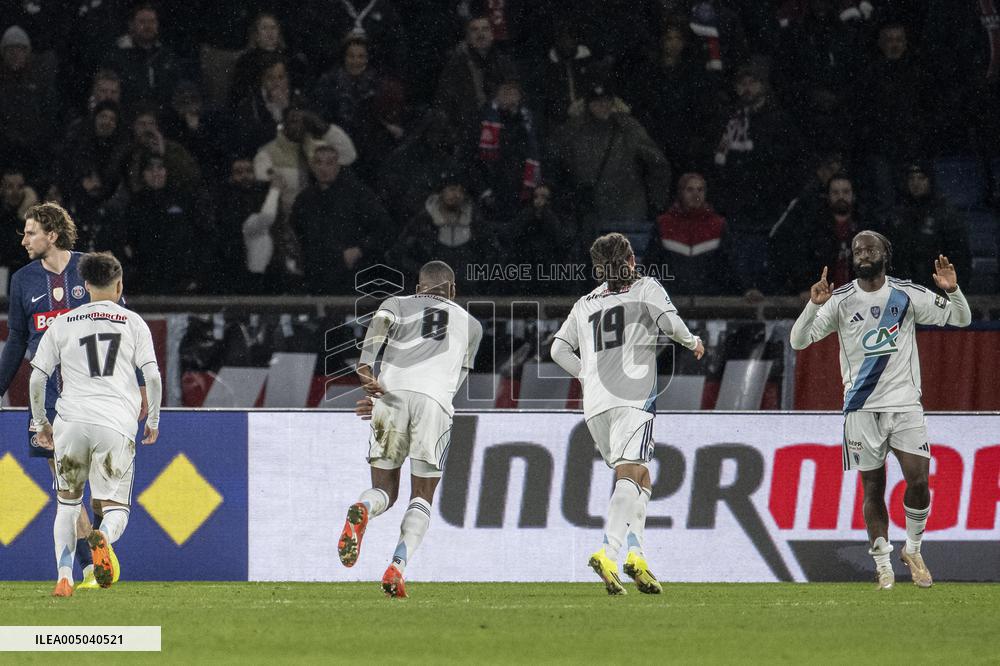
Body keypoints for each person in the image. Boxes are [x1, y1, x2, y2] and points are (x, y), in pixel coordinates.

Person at [789, 231, 972, 590]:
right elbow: (798, 340)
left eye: (870, 248)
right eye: (857, 250)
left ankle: (913, 549)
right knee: (873, 489)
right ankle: (883, 565)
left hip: (905, 405)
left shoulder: (907, 294)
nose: (863, 254)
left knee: (919, 481)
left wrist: (953, 290)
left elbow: (961, 318)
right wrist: (812, 305)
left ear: (885, 254)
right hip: (861, 409)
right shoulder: (840, 301)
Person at [0, 203, 145, 590]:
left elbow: (123, 328)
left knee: (88, 494)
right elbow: (16, 341)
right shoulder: (22, 280)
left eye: (30, 232)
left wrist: (138, 384)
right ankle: (92, 564)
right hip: (49, 397)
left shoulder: (89, 268)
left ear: (52, 235)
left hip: (95, 395)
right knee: (67, 489)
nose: (24, 240)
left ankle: (89, 558)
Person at [550, 232, 705, 594]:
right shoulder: (646, 287)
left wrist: (586, 374)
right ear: (632, 260)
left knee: (642, 477)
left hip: (595, 406)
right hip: (633, 399)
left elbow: (558, 349)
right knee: (629, 472)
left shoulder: (584, 303)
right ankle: (608, 552)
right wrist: (692, 341)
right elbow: (669, 323)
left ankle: (637, 556)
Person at [338, 260, 483, 598]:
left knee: (384, 491)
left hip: (389, 397)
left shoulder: (398, 303)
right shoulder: (472, 325)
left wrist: (365, 369)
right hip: (435, 404)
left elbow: (378, 328)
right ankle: (397, 566)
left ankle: (364, 508)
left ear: (419, 288)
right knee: (422, 496)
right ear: (453, 291)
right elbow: (454, 383)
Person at [28, 251, 162, 596]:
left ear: (86, 285)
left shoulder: (63, 322)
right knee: (115, 508)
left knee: (68, 503)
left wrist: (41, 423)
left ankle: (64, 576)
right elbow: (152, 376)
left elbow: (37, 377)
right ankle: (103, 536)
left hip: (71, 423)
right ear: (119, 285)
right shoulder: (133, 323)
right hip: (114, 424)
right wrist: (154, 419)